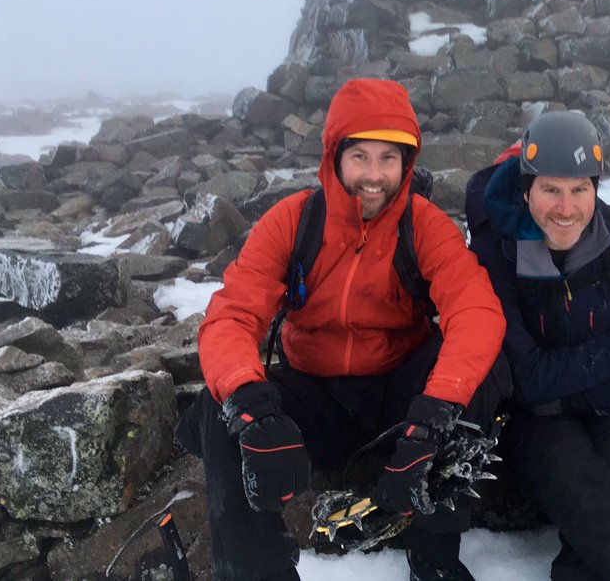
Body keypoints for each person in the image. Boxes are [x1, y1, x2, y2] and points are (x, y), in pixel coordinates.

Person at [175, 78, 509, 581]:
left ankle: (433, 557)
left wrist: (435, 411)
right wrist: (254, 408)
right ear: (334, 157)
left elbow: (476, 312)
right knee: (219, 406)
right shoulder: (294, 221)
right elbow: (231, 316)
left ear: (406, 164)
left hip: (400, 401)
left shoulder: (424, 226)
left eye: (388, 159)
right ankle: (253, 571)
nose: (374, 176)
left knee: (481, 371)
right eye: (360, 157)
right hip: (317, 397)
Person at [465, 111, 610, 581]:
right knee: (593, 500)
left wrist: (579, 393)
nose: (566, 208)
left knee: (608, 510)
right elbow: (526, 379)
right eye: (551, 189)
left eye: (580, 189)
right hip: (536, 422)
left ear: (596, 188)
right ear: (526, 188)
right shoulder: (494, 257)